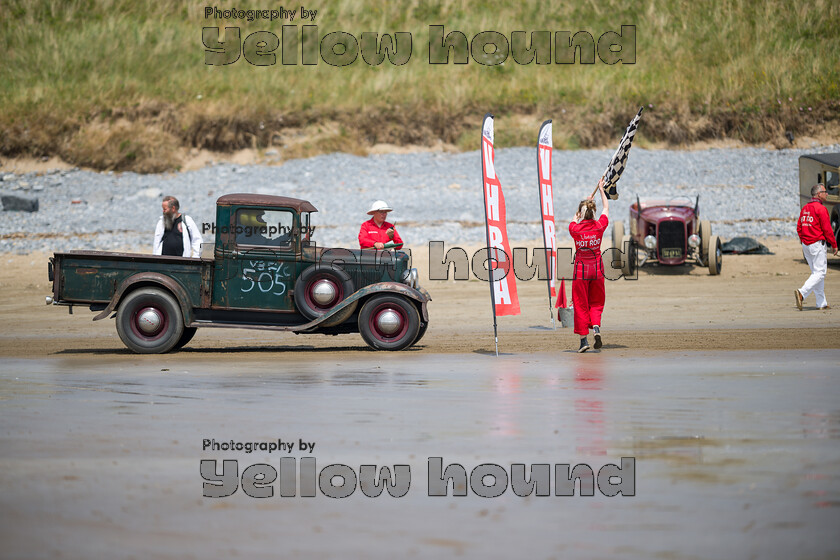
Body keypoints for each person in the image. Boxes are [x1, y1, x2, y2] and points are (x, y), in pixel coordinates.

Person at [569, 178, 609, 352]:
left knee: (580, 304)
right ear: (593, 213)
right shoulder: (599, 226)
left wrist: (580, 212)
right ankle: (597, 328)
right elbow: (606, 209)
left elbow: (574, 220)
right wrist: (601, 190)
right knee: (596, 303)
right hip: (597, 270)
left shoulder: (575, 230)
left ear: (581, 214)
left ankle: (584, 340)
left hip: (581, 271)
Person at [795, 183, 838, 310]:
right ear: (819, 194)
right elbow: (828, 229)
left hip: (806, 245)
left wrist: (804, 240)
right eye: (825, 192)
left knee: (816, 273)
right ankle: (802, 293)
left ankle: (821, 303)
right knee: (820, 273)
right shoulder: (820, 209)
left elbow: (799, 227)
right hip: (816, 244)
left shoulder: (805, 208)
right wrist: (834, 245)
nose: (827, 194)